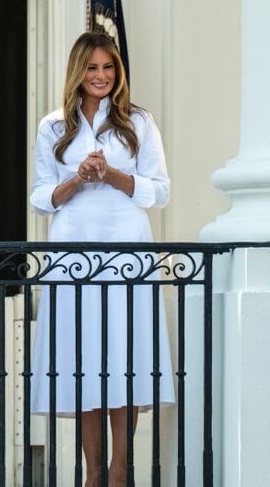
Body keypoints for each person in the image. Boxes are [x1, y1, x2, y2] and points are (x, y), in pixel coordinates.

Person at [28, 30, 174, 487]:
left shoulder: (139, 122)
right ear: (78, 72)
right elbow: (39, 197)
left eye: (108, 67)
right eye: (92, 68)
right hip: (72, 256)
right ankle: (91, 474)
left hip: (127, 252)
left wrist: (110, 174)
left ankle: (119, 470)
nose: (101, 76)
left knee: (124, 359)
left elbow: (161, 191)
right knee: (83, 360)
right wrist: (75, 179)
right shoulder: (53, 125)